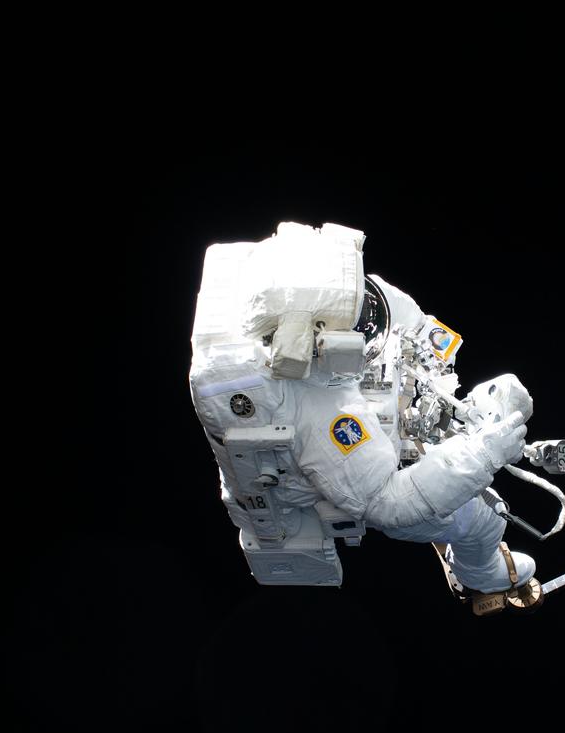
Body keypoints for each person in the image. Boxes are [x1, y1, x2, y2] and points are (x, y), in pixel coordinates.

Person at [189, 221, 539, 607]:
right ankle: (481, 575)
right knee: (485, 517)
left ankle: (453, 483)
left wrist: (450, 362)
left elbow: (398, 315)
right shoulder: (321, 411)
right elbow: (389, 503)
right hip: (345, 482)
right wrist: (483, 455)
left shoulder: (333, 294)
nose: (369, 326)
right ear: (322, 348)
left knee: (453, 463)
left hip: (356, 437)